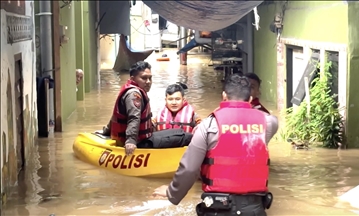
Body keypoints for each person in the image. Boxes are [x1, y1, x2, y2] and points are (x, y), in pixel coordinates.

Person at [152, 74, 279, 216]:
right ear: (250, 98)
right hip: (255, 208)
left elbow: (189, 168)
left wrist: (172, 192)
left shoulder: (209, 125)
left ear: (224, 95)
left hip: (217, 208)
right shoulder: (269, 123)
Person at [97, 61, 192, 155]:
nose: (148, 82)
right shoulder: (134, 95)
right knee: (186, 137)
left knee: (178, 131)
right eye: (144, 78)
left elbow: (116, 116)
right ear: (133, 79)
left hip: (143, 138)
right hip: (141, 142)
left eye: (150, 78)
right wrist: (131, 141)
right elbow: (134, 118)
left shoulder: (130, 89)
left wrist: (106, 131)